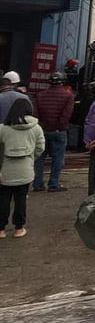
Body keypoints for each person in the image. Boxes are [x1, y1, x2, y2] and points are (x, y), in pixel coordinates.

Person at [0, 95, 45, 238]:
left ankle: (1, 230)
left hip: (4, 170)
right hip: (25, 169)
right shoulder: (36, 128)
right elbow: (40, 148)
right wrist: (31, 159)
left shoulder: (2, 128)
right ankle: (19, 229)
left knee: (3, 199)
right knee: (21, 199)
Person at [33, 71, 74, 192]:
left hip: (42, 131)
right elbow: (66, 115)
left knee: (39, 158)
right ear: (63, 82)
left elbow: (35, 114)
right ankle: (53, 184)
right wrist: (59, 127)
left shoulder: (40, 95)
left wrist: (42, 126)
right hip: (58, 132)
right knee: (58, 159)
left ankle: (38, 184)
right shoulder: (68, 96)